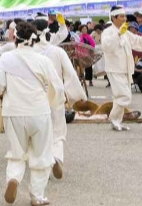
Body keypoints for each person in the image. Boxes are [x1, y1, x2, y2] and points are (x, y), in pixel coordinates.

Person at [0, 22, 64, 206]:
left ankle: (13, 179)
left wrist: (0, 95)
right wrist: (53, 102)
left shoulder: (6, 58)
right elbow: (58, 87)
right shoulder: (43, 61)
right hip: (39, 111)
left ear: (15, 38)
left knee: (16, 152)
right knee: (41, 154)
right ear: (34, 40)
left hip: (13, 112)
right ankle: (37, 196)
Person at [33, 19, 86, 180]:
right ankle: (55, 157)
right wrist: (78, 96)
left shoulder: (27, 52)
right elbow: (70, 74)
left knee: (39, 133)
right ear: (48, 31)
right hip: (55, 95)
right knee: (58, 131)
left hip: (34, 98)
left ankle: (44, 164)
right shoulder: (57, 51)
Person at [102, 6, 142, 131]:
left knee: (120, 96)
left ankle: (116, 121)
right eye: (122, 16)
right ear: (114, 18)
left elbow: (139, 41)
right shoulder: (108, 32)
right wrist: (118, 33)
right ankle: (114, 119)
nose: (125, 19)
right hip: (114, 69)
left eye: (125, 16)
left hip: (125, 69)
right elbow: (106, 46)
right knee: (123, 96)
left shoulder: (126, 32)